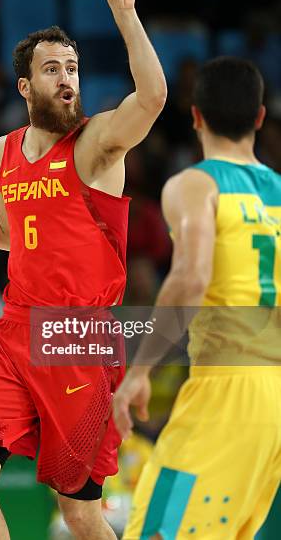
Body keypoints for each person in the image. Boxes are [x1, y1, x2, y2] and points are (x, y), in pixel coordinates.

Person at [0, 0, 166, 540]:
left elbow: (153, 98)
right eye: (53, 69)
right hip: (15, 333)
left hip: (77, 338)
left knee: (79, 511)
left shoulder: (96, 143)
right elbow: (8, 234)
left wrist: (125, 14)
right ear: (25, 86)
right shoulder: (2, 151)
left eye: (73, 68)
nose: (67, 80)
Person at [114, 56, 281, 539]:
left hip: (229, 388)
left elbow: (191, 276)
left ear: (196, 116)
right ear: (260, 118)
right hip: (273, 400)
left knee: (155, 530)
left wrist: (139, 372)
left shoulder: (195, 184)